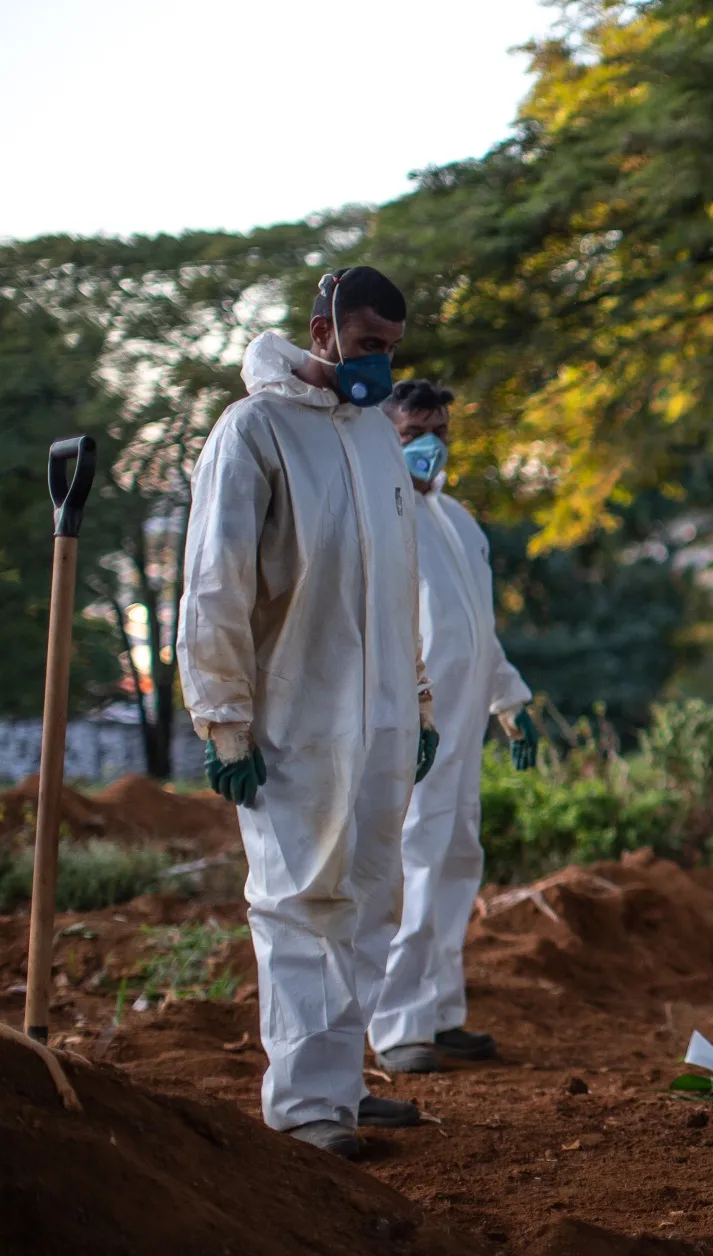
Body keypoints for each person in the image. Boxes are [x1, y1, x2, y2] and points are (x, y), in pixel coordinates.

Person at [177, 266, 439, 1159]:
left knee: (366, 902)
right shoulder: (253, 431)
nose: (380, 367)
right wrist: (222, 716)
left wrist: (421, 701)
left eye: (392, 351)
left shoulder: (372, 435)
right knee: (299, 907)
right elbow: (215, 583)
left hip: (381, 720)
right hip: (293, 717)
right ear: (321, 331)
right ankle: (305, 1108)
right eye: (368, 347)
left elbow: (398, 583)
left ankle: (343, 1084)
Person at [368, 379, 536, 1074]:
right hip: (417, 720)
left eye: (440, 430)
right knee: (416, 863)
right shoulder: (383, 512)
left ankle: (439, 1014)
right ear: (385, 436)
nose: (431, 445)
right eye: (413, 434)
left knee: (457, 860)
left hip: (464, 724)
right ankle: (399, 1025)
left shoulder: (458, 521)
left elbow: (479, 628)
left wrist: (509, 704)